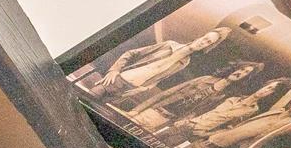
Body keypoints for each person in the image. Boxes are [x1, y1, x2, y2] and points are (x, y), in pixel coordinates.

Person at [93, 27, 234, 102]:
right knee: (88, 97)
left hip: (129, 90)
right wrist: (114, 70)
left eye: (209, 43)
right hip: (116, 80)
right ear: (201, 36)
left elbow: (160, 79)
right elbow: (131, 53)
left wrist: (143, 89)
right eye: (205, 38)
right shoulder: (169, 45)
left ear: (208, 47)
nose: (204, 42)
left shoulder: (184, 63)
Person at [125, 62, 259, 128]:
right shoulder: (204, 79)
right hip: (154, 110)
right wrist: (136, 110)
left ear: (244, 79)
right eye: (242, 69)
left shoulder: (223, 96)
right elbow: (166, 94)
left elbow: (199, 112)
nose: (241, 73)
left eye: (246, 73)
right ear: (236, 68)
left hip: (168, 121)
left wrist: (178, 123)